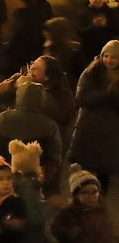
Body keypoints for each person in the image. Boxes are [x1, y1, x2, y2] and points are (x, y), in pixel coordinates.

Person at [0, 82, 62, 188]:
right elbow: (55, 155)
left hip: (4, 173)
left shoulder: (4, 118)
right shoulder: (50, 125)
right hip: (35, 176)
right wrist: (47, 176)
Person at [69, 39, 119, 194]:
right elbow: (82, 99)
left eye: (114, 57)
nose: (109, 60)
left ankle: (98, 207)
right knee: (84, 174)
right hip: (88, 129)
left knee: (104, 175)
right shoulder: (91, 72)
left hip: (111, 134)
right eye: (106, 56)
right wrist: (107, 94)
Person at [51, 165, 114, 243]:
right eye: (85, 192)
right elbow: (55, 228)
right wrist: (71, 234)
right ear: (76, 195)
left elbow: (108, 230)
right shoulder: (67, 211)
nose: (91, 196)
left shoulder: (101, 208)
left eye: (94, 192)